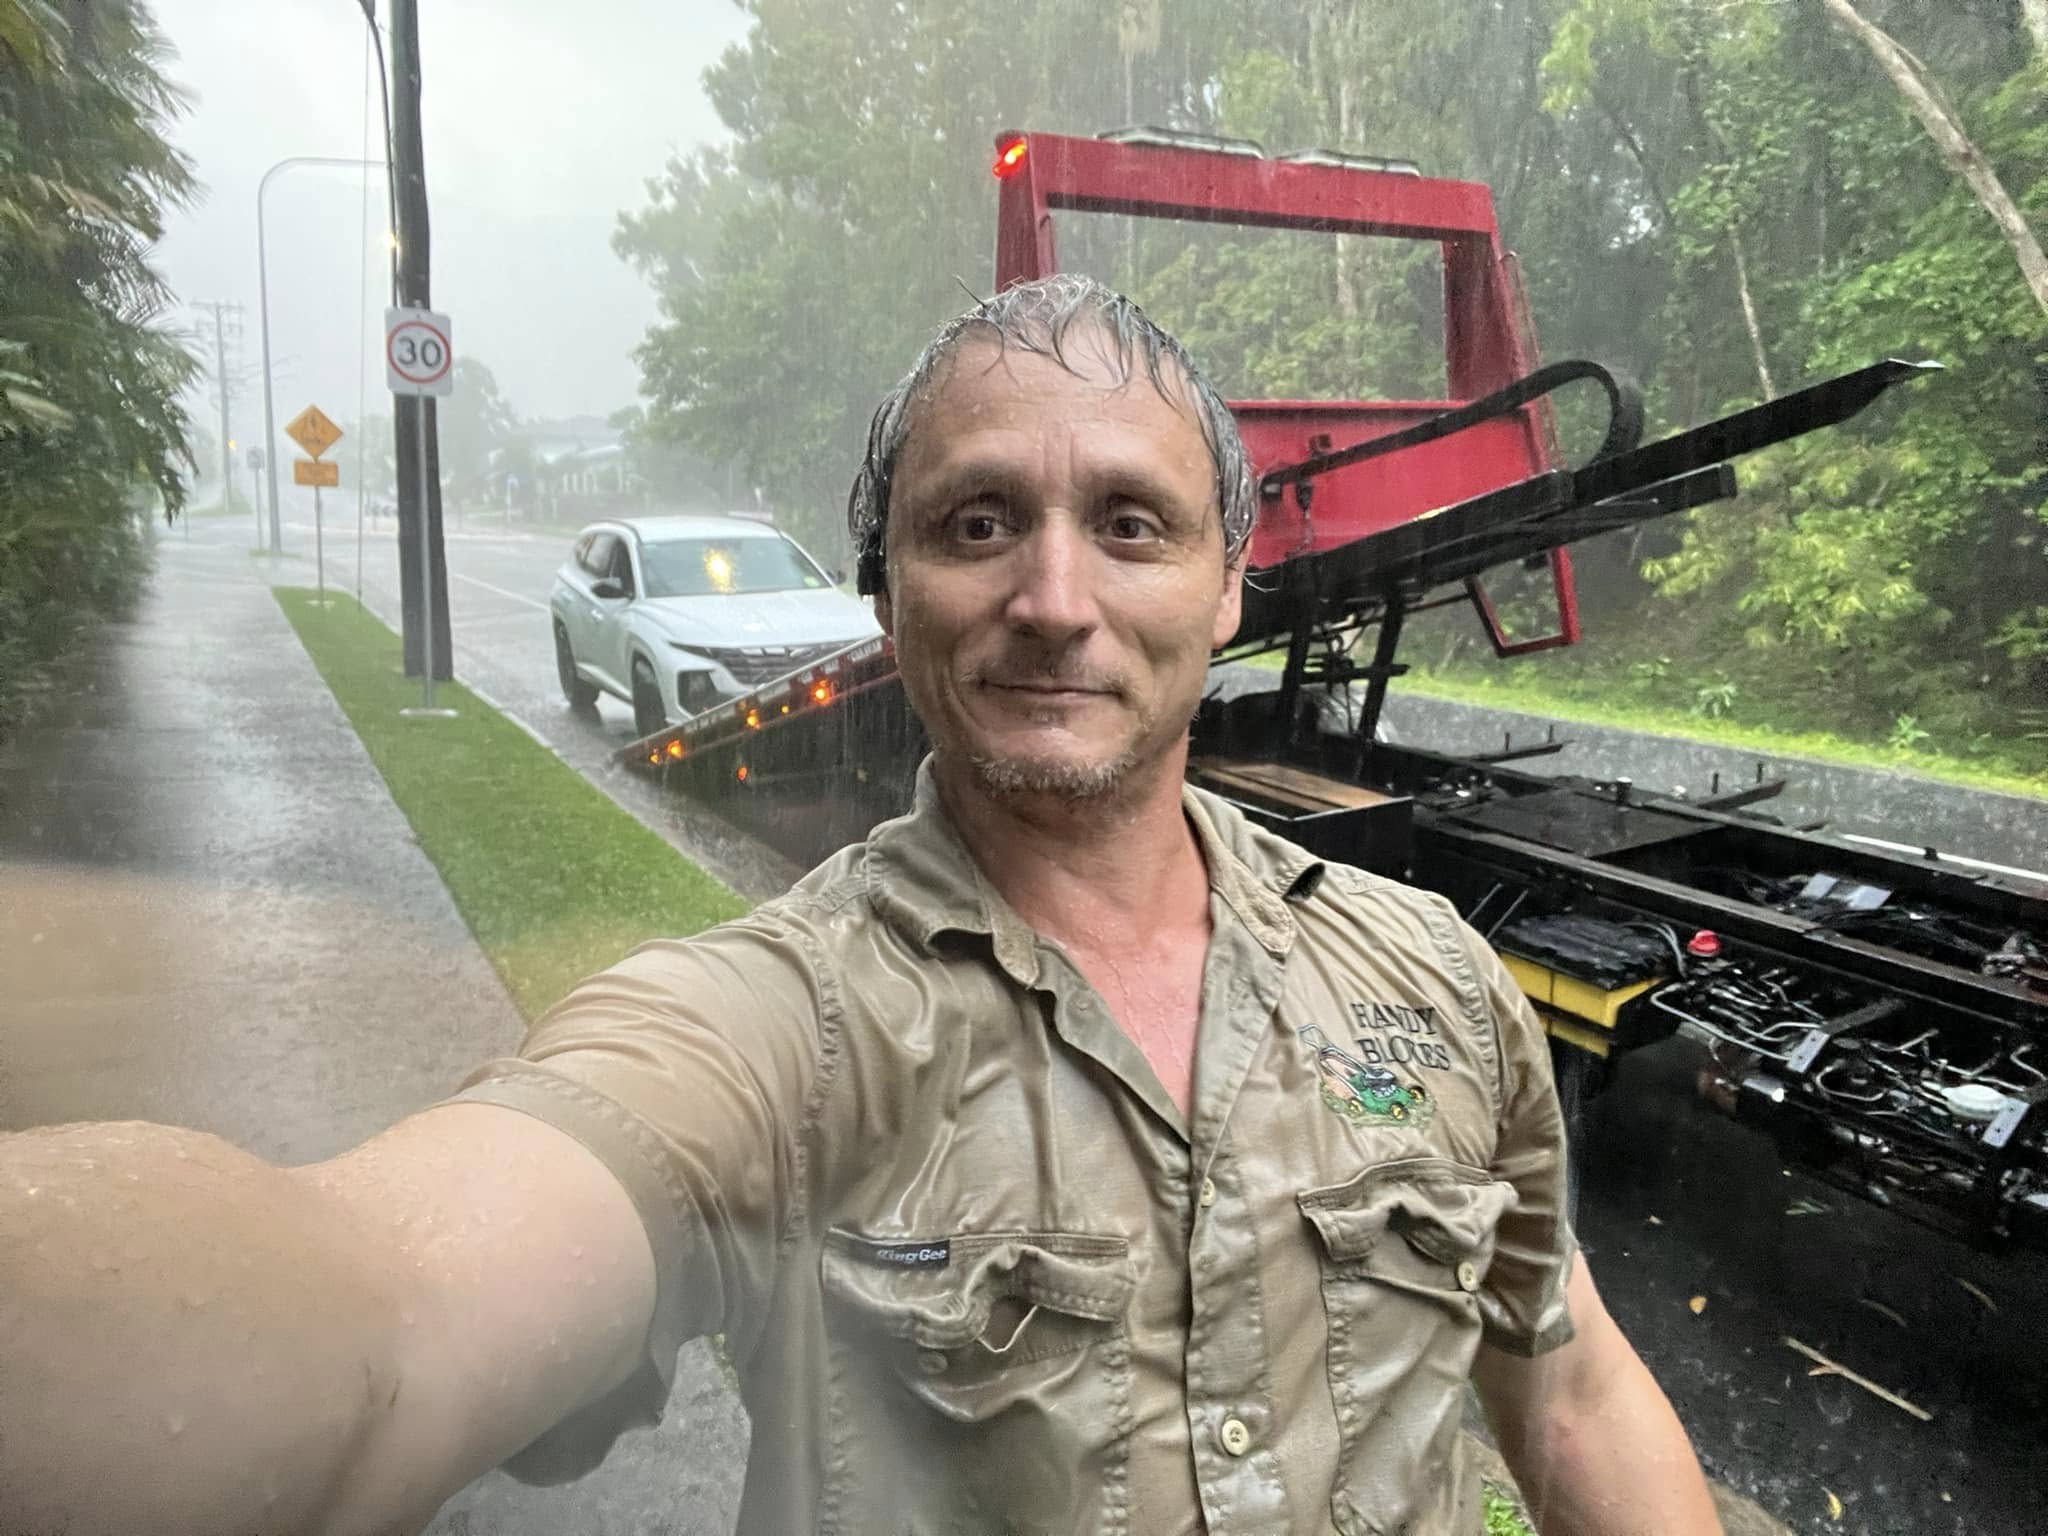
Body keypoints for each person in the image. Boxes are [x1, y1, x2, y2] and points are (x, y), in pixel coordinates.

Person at [0, 275, 1721, 1536]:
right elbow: (388, 1307)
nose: (1056, 597)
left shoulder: (1424, 974)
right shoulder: (779, 1031)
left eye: (1133, 524)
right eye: (979, 523)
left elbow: (1569, 1395)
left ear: (1227, 586)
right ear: (888, 597)